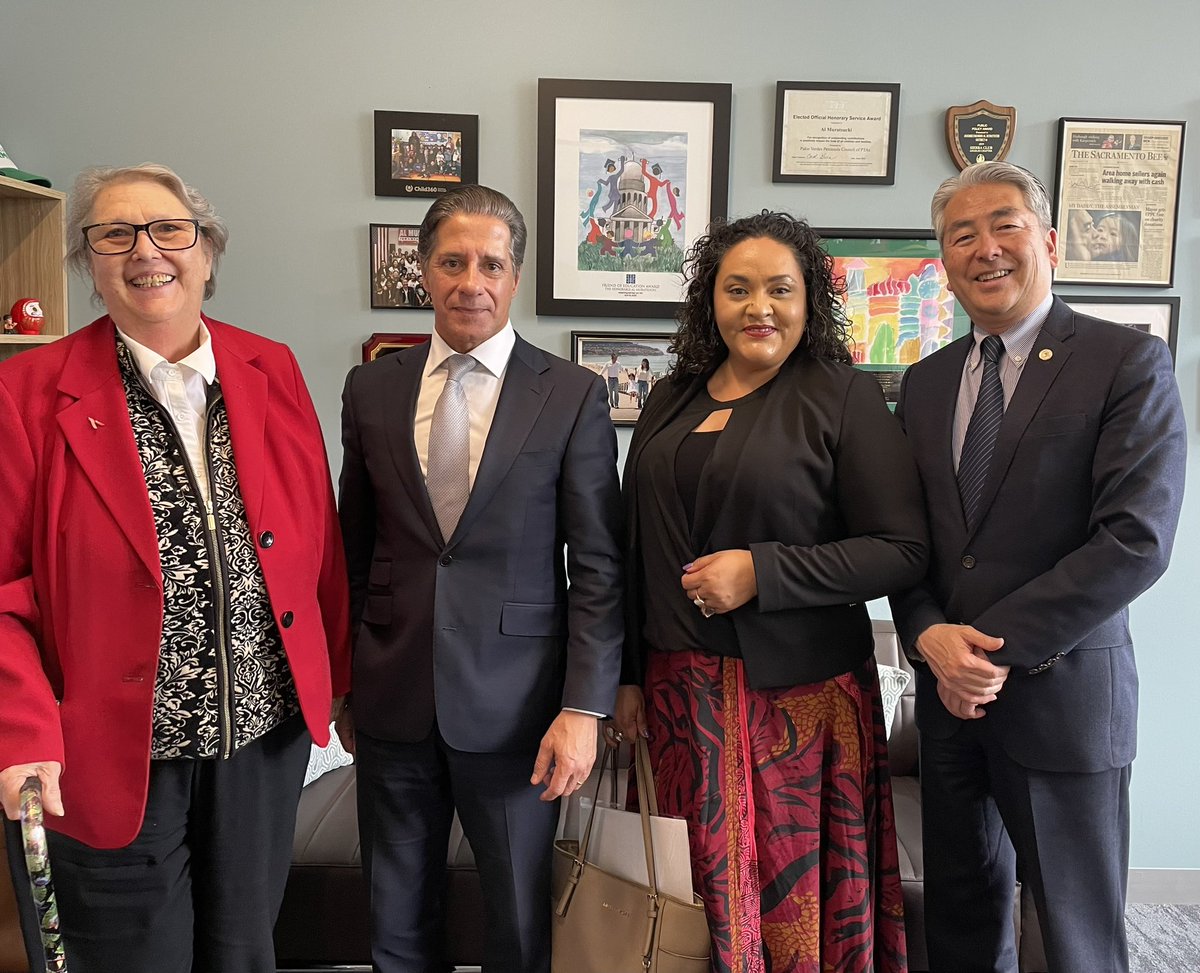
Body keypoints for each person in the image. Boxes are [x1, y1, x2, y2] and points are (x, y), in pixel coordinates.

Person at [0, 163, 351, 973]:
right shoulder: (28, 391)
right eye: (114, 234)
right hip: (110, 749)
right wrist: (21, 731)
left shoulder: (271, 366)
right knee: (133, 956)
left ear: (206, 250)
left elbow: (316, 540)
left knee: (242, 951)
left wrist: (336, 681)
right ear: (91, 263)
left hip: (261, 741)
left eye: (168, 229)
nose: (145, 251)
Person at [889, 161, 1186, 973]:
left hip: (1064, 706)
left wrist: (982, 647)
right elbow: (906, 540)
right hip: (951, 709)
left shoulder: (1125, 363)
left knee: (1074, 938)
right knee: (962, 921)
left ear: (1048, 240)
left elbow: (1134, 540)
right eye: (961, 234)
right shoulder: (924, 384)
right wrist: (926, 637)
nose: (985, 248)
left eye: (1005, 225)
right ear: (943, 263)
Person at [614, 211, 928, 973]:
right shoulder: (670, 396)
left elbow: (903, 551)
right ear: (709, 302)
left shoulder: (844, 396)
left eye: (780, 289)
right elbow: (633, 546)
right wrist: (621, 675)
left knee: (790, 914)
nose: (760, 307)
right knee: (686, 904)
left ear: (809, 299)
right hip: (677, 699)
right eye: (738, 289)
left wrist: (764, 571)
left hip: (800, 708)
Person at [337, 184, 623, 973]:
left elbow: (598, 566)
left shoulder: (570, 395)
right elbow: (353, 548)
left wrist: (582, 705)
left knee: (521, 923)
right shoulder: (372, 388)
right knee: (394, 920)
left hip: (520, 711)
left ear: (515, 275)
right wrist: (344, 682)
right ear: (424, 272)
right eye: (453, 261)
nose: (472, 281)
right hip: (392, 698)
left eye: (491, 263)